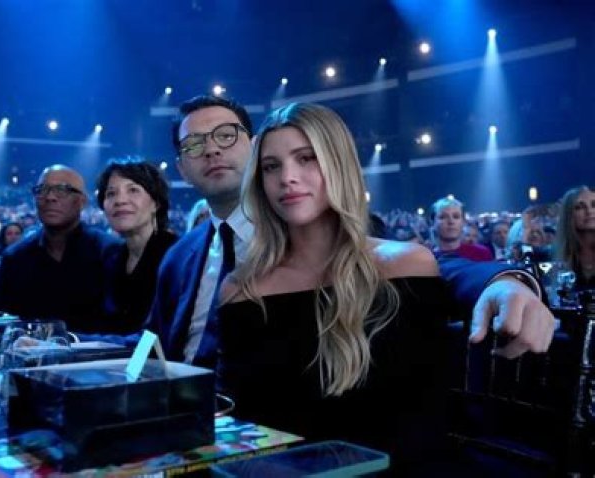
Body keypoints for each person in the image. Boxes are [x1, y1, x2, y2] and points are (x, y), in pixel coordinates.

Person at [145, 95, 554, 370]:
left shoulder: (313, 218)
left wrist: (508, 280)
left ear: (252, 147)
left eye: (225, 135)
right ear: (181, 168)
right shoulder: (180, 256)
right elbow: (153, 342)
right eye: (194, 144)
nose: (212, 149)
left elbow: (423, 267)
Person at [216, 102, 455, 471]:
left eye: (306, 158)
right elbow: (244, 422)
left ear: (338, 163)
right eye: (271, 166)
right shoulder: (240, 290)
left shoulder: (407, 265)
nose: (287, 178)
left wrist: (510, 281)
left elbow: (426, 415)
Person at [0, 164, 119, 332]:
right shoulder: (15, 258)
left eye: (62, 190)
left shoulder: (109, 252)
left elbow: (127, 328)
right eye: (42, 190)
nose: (50, 197)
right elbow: (5, 323)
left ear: (82, 201)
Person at [95, 158, 178, 334]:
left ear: (156, 203)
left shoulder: (176, 255)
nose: (120, 200)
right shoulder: (110, 258)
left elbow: (159, 333)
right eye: (111, 193)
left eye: (133, 190)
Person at [554, 185, 595, 288]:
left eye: (594, 205)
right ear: (568, 215)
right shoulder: (558, 256)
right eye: (579, 207)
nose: (589, 211)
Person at [430, 197, 492, 262]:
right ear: (433, 222)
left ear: (463, 222)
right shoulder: (426, 257)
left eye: (456, 217)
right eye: (443, 217)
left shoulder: (481, 253)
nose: (451, 221)